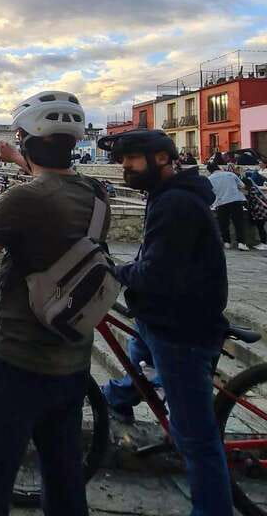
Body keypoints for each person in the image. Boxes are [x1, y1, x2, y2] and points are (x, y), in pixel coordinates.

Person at [0, 91, 106, 516]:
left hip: (19, 362)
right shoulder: (98, 196)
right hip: (73, 363)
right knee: (64, 483)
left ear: (26, 140)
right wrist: (19, 164)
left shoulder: (22, 199)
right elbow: (55, 185)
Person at [97, 129, 232, 516]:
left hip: (181, 330)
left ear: (161, 158)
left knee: (197, 440)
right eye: (122, 161)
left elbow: (156, 273)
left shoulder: (175, 205)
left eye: (132, 160)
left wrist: (118, 270)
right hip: (159, 319)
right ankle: (119, 397)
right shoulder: (169, 196)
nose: (125, 168)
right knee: (137, 354)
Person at [207, 162, 251, 250]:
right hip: (235, 200)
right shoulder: (230, 174)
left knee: (223, 223)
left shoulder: (209, 179)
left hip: (221, 203)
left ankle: (226, 242)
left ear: (209, 171)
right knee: (238, 223)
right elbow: (242, 186)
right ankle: (241, 243)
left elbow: (210, 192)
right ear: (219, 167)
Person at [243, 177, 267, 249]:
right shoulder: (254, 188)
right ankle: (263, 243)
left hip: (260, 212)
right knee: (261, 227)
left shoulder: (252, 190)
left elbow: (251, 201)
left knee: (261, 228)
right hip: (261, 211)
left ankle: (264, 243)